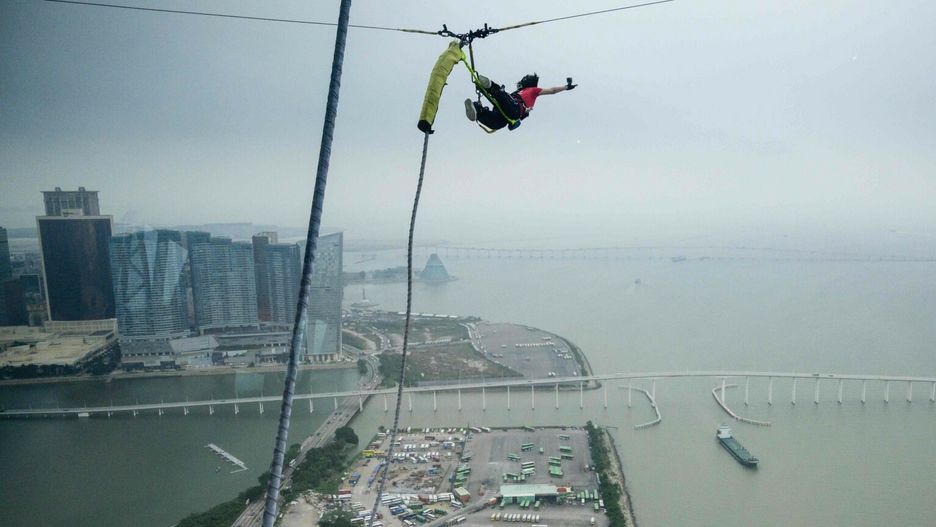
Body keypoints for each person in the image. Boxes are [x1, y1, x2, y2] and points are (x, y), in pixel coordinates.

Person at [464, 73, 576, 131]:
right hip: (507, 112)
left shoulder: (533, 90)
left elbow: (552, 90)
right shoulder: (518, 92)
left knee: (500, 95)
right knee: (495, 122)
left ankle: (489, 88)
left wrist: (566, 87)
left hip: (515, 109)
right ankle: (478, 111)